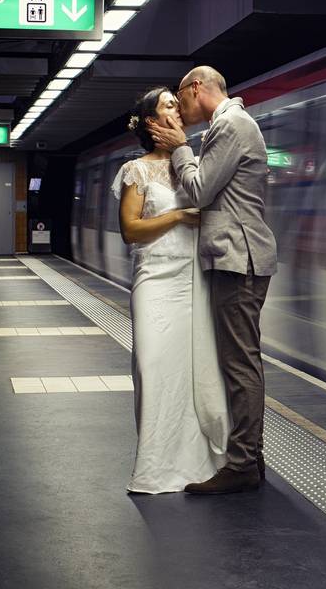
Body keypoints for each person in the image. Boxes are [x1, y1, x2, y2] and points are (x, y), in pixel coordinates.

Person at [148, 66, 277, 494]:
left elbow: (198, 191)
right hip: (235, 258)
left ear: (196, 88)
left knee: (239, 363)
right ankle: (249, 457)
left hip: (238, 260)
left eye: (180, 98)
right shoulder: (230, 125)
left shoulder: (232, 126)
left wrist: (181, 147)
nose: (180, 109)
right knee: (239, 361)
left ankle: (242, 464)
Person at [112, 87, 229, 493]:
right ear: (151, 121)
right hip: (155, 279)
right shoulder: (136, 171)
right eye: (168, 105)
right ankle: (155, 465)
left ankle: (196, 460)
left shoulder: (192, 163)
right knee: (152, 366)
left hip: (192, 278)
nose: (177, 110)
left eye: (178, 105)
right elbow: (131, 230)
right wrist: (179, 215)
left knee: (193, 371)